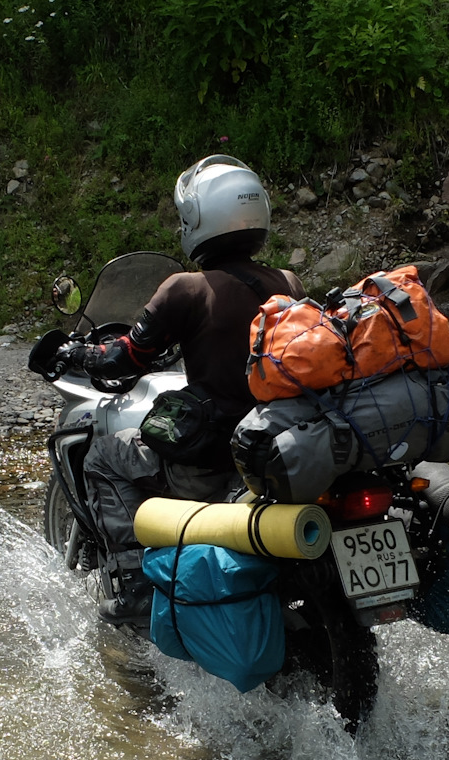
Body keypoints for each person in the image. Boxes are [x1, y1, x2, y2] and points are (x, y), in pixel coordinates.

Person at [44, 155, 305, 622]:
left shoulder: (186, 288)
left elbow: (125, 356)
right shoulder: (288, 283)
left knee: (105, 455)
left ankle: (134, 584)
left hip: (212, 460)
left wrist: (74, 354)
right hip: (279, 448)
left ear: (198, 218)